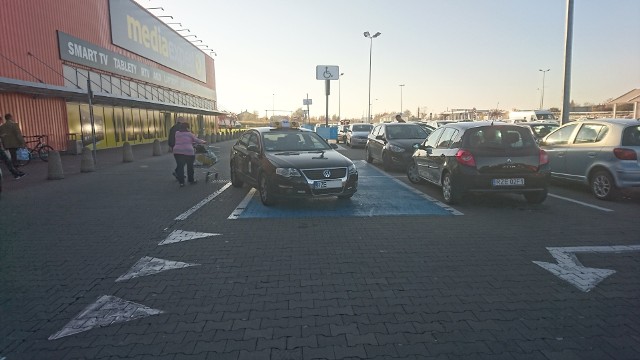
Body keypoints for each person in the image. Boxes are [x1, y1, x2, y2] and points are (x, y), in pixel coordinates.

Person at [172, 122, 206, 187]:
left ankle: (181, 182)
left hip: (177, 151)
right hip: (188, 152)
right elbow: (196, 140)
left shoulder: (177, 133)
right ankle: (191, 180)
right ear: (187, 127)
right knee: (190, 167)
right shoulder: (189, 134)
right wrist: (203, 142)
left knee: (180, 167)